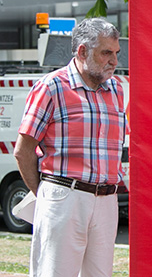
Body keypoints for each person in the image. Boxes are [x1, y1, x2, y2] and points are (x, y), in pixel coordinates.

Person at [13, 18, 126, 277]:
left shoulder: (117, 89)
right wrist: (47, 195)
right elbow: (23, 150)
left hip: (107, 200)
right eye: (106, 52)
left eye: (116, 53)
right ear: (83, 51)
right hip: (64, 195)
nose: (114, 61)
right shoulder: (51, 86)